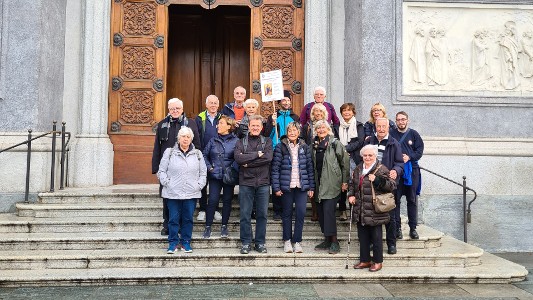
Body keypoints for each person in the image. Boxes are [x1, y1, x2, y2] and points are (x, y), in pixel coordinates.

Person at [152, 98, 200, 236]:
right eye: (172, 109)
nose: (175, 111)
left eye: (177, 109)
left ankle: (181, 225)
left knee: (184, 199)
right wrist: (156, 168)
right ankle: (167, 224)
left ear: (182, 109)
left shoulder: (190, 123)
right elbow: (157, 148)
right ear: (168, 109)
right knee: (167, 197)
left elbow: (197, 144)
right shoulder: (162, 125)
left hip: (186, 168)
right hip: (167, 169)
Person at [157, 126, 207, 254]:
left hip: (191, 193)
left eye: (188, 137)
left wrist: (199, 185)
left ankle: (186, 242)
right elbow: (161, 171)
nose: (185, 139)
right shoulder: (169, 152)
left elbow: (203, 172)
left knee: (188, 219)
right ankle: (173, 243)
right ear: (178, 138)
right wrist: (167, 183)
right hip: (172, 192)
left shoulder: (198, 154)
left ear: (191, 139)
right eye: (183, 136)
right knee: (173, 219)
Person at [348, 144, 396, 272]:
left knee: (376, 237)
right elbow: (352, 183)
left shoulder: (381, 169)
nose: (367, 157)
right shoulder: (358, 168)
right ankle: (365, 260)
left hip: (375, 209)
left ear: (375, 156)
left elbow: (391, 186)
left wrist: (377, 180)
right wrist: (351, 195)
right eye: (365, 155)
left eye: (370, 155)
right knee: (362, 236)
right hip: (361, 208)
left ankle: (378, 261)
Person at [271, 122, 315, 253]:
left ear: (299, 132)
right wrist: (276, 187)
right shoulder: (280, 146)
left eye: (294, 130)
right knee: (287, 214)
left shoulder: (305, 147)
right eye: (289, 130)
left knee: (301, 214)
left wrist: (311, 187)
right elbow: (275, 168)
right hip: (286, 186)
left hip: (301, 186)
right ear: (287, 132)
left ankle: (297, 241)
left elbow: (309, 168)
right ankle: (287, 241)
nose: (292, 133)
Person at [234, 115, 273, 254]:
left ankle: (260, 243)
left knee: (262, 214)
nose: (255, 128)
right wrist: (257, 154)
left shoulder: (267, 141)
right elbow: (238, 158)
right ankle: (245, 242)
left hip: (263, 182)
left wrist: (247, 162)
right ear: (248, 127)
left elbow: (268, 158)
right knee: (245, 214)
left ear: (262, 127)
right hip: (246, 182)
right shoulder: (240, 142)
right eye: (253, 125)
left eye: (258, 126)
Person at [364, 117, 403, 255]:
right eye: (378, 126)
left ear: (388, 128)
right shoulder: (369, 141)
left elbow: (400, 163)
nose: (380, 129)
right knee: (371, 215)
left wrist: (395, 170)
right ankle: (371, 243)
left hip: (386, 184)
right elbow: (363, 159)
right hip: (371, 183)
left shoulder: (394, 143)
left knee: (389, 216)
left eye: (383, 127)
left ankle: (391, 244)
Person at [311, 120, 350, 254]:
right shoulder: (314, 145)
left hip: (332, 183)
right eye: (318, 128)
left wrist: (345, 181)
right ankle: (327, 239)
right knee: (321, 212)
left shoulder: (335, 143)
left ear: (328, 129)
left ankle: (334, 241)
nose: (321, 130)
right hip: (319, 183)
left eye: (323, 127)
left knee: (328, 212)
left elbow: (345, 162)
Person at [202, 115, 239, 239]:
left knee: (227, 201)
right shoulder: (213, 140)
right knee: (212, 200)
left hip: (228, 177)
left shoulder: (236, 141)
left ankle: (224, 226)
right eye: (218, 123)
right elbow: (204, 155)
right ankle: (208, 227)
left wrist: (232, 168)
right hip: (215, 176)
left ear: (229, 126)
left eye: (221, 123)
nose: (218, 125)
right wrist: (209, 167)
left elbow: (238, 157)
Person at [264, 89, 299, 221]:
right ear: (279, 102)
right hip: (276, 150)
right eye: (284, 100)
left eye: (288, 100)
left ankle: (288, 208)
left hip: (290, 150)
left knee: (290, 179)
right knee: (277, 180)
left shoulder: (295, 117)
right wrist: (272, 124)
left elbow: (298, 133)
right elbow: (267, 135)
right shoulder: (273, 116)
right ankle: (277, 210)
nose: (286, 102)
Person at [390, 111, 424, 240]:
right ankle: (397, 228)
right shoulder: (392, 134)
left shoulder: (414, 134)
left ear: (407, 120)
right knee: (396, 201)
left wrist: (409, 157)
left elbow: (419, 151)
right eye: (398, 120)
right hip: (396, 171)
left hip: (411, 171)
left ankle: (413, 228)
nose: (401, 122)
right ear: (396, 121)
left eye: (403, 119)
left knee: (412, 200)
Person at [195, 95, 223, 222]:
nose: (213, 105)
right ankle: (202, 209)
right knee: (202, 184)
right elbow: (196, 136)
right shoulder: (199, 118)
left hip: (217, 156)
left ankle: (215, 209)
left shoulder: (222, 118)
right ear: (206, 105)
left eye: (215, 103)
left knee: (215, 185)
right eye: (210, 103)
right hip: (202, 156)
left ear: (218, 105)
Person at [301, 103, 330, 221]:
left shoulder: (328, 125)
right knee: (313, 183)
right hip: (310, 155)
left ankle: (323, 210)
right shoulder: (307, 126)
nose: (318, 113)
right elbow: (302, 139)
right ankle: (314, 211)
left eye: (320, 111)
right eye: (316, 111)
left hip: (324, 158)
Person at [337, 103, 365, 221]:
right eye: (344, 111)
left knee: (355, 184)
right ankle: (343, 210)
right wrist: (342, 151)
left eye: (349, 110)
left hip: (355, 159)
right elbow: (336, 140)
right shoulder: (337, 126)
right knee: (343, 184)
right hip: (340, 158)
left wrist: (346, 149)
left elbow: (360, 141)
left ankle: (356, 210)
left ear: (353, 112)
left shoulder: (359, 126)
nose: (346, 112)